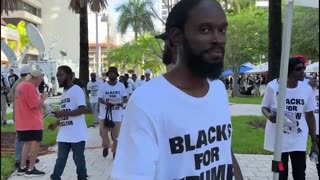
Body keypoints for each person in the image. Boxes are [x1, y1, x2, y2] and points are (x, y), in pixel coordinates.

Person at [112, 0, 243, 179]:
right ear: (176, 36)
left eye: (222, 30)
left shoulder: (218, 90)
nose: (217, 39)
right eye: (205, 29)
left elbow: (223, 150)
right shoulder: (147, 101)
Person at [261, 57, 319, 180]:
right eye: (299, 69)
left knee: (299, 174)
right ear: (288, 71)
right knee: (280, 172)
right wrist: (269, 116)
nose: (303, 71)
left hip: (298, 139)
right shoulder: (273, 86)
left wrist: (314, 141)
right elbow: (264, 107)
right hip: (279, 140)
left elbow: (310, 116)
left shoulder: (306, 89)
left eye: (304, 68)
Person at [49, 66, 88, 180]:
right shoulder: (64, 92)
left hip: (77, 133)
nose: (58, 78)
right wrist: (57, 123)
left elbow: (82, 109)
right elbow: (65, 111)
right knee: (61, 158)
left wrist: (62, 114)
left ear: (69, 75)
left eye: (61, 75)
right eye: (57, 75)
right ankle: (55, 177)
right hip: (64, 133)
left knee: (78, 159)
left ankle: (82, 177)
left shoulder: (77, 89)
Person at [15, 69, 47, 177]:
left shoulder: (21, 85)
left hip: (22, 121)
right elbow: (35, 104)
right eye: (41, 80)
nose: (40, 82)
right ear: (37, 79)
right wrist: (43, 98)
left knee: (27, 143)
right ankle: (31, 168)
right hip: (32, 121)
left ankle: (22, 167)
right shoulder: (30, 87)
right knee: (35, 143)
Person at [7, 65, 40, 168]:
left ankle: (26, 158)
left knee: (25, 137)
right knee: (22, 137)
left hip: (19, 113)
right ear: (28, 74)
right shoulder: (24, 84)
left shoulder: (18, 83)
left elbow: (10, 95)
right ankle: (19, 159)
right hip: (22, 114)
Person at [98, 67, 128, 159]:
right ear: (108, 75)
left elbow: (125, 98)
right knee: (102, 132)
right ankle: (106, 146)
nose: (111, 74)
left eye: (113, 73)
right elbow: (99, 98)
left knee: (116, 136)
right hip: (105, 113)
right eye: (110, 73)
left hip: (117, 114)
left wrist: (120, 103)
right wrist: (105, 103)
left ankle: (115, 151)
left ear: (116, 75)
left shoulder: (121, 86)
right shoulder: (103, 86)